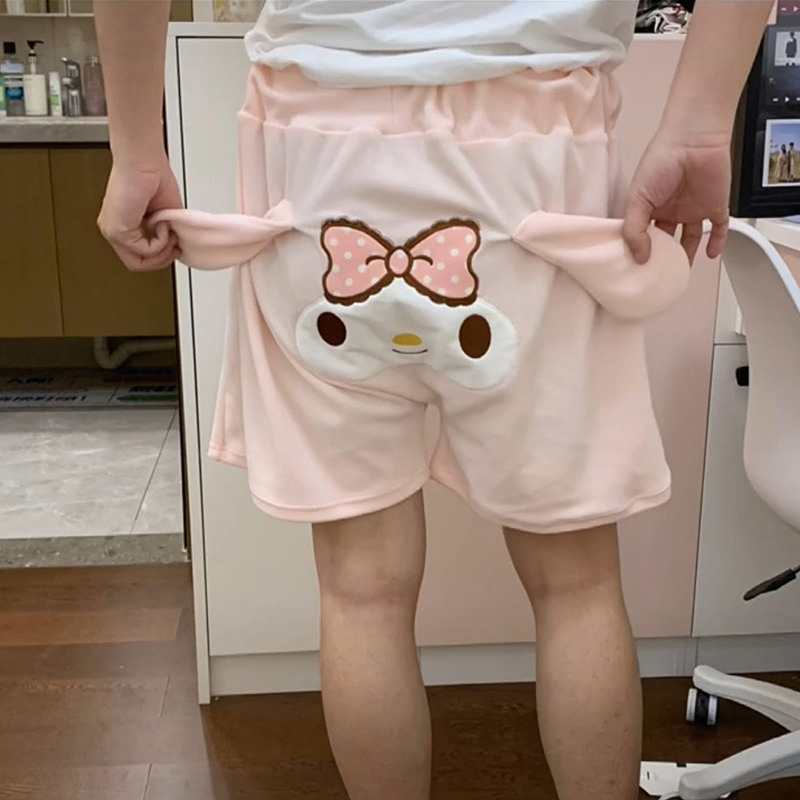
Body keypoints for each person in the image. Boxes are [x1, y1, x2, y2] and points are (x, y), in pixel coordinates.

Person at [94, 2, 773, 799]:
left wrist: (135, 143)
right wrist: (698, 123)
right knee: (576, 583)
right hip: (541, 143)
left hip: (315, 148)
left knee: (361, 589)